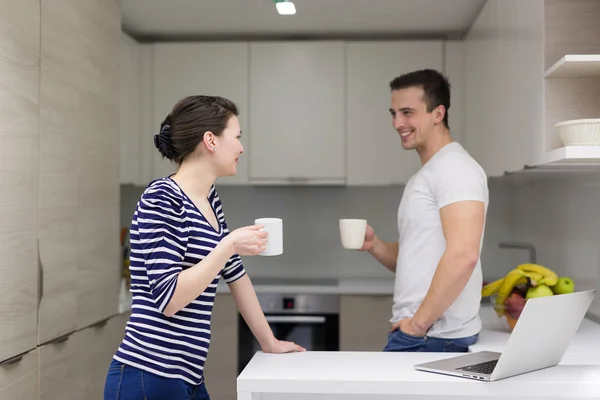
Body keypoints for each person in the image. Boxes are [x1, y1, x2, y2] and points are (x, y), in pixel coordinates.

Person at [104, 95, 305, 400]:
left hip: (187, 376)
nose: (241, 147)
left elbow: (236, 276)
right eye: (236, 137)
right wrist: (228, 245)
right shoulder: (162, 199)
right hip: (148, 375)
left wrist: (269, 342)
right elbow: (169, 298)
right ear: (211, 140)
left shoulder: (209, 198)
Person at [360, 69, 488, 353]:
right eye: (393, 113)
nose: (397, 123)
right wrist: (375, 245)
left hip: (432, 337)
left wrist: (417, 326)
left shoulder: (455, 169)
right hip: (424, 334)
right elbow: (415, 259)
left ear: (438, 114)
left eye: (408, 112)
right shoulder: (429, 174)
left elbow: (463, 255)